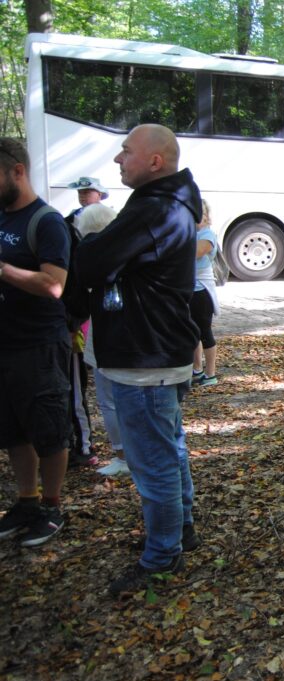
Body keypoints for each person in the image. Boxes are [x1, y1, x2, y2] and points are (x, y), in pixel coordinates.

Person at [74, 124, 204, 596]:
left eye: (125, 151)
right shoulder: (162, 204)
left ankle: (162, 554)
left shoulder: (157, 209)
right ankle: (180, 530)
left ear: (155, 161)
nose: (117, 160)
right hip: (150, 351)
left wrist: (94, 250)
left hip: (144, 356)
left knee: (154, 462)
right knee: (167, 449)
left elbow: (88, 264)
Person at [0, 137, 72, 547]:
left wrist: (4, 270)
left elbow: (55, 286)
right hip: (5, 344)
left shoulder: (46, 221)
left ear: (17, 171)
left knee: (49, 431)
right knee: (13, 431)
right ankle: (26, 501)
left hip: (39, 345)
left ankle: (51, 504)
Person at [69, 203, 131, 478]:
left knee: (108, 399)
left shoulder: (90, 258)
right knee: (124, 398)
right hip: (126, 337)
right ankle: (130, 454)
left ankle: (122, 455)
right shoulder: (128, 252)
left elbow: (78, 298)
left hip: (104, 336)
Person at [63, 177, 111, 468]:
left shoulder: (109, 232)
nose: (83, 195)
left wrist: (73, 323)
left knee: (80, 389)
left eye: (88, 191)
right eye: (80, 192)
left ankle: (83, 445)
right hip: (82, 327)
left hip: (82, 329)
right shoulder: (68, 224)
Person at [190, 200, 220, 387]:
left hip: (202, 290)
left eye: (199, 214)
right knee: (191, 332)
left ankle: (211, 372)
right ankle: (196, 368)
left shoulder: (207, 235)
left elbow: (196, 252)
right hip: (187, 289)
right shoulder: (189, 233)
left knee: (204, 332)